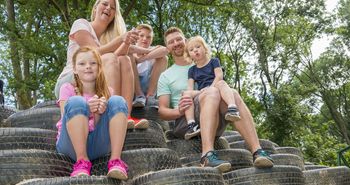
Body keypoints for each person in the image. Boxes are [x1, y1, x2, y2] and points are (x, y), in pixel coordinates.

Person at [157, 27, 274, 173]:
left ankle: (257, 151)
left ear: (186, 41)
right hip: (187, 121)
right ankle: (207, 155)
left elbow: (219, 83)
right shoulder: (166, 75)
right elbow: (162, 111)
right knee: (212, 92)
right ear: (167, 47)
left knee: (233, 94)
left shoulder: (204, 62)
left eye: (179, 39)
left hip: (213, 119)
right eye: (171, 42)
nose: (176, 43)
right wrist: (178, 110)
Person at [54, 0, 148, 129]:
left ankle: (125, 115)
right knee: (109, 57)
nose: (108, 8)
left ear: (115, 15)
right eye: (105, 4)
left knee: (125, 60)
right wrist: (120, 39)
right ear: (95, 8)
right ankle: (112, 115)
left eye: (113, 8)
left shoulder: (105, 39)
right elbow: (93, 53)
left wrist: (126, 42)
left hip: (94, 79)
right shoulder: (81, 24)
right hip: (70, 80)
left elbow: (117, 58)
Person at [56, 46, 128, 180]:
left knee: (118, 100)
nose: (88, 66)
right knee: (77, 102)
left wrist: (97, 115)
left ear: (100, 67)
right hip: (70, 143)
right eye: (82, 63)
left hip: (97, 144)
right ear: (75, 69)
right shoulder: (67, 88)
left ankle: (116, 161)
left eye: (93, 63)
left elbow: (98, 127)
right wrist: (87, 110)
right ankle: (81, 161)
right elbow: (65, 119)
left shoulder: (107, 92)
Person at [182, 36, 241, 140]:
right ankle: (192, 125)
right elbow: (190, 87)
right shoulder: (192, 70)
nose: (195, 50)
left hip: (216, 87)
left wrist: (211, 88)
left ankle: (232, 108)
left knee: (222, 83)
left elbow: (219, 76)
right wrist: (190, 93)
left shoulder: (214, 61)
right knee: (186, 94)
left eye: (198, 47)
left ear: (205, 48)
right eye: (191, 50)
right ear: (189, 55)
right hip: (202, 92)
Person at [131, 24, 168, 108]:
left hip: (147, 86)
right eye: (141, 35)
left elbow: (165, 50)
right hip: (132, 89)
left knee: (163, 58)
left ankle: (150, 97)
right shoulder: (130, 48)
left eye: (148, 37)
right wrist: (136, 58)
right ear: (136, 36)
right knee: (129, 58)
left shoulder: (152, 49)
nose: (145, 39)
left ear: (151, 40)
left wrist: (142, 58)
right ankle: (139, 96)